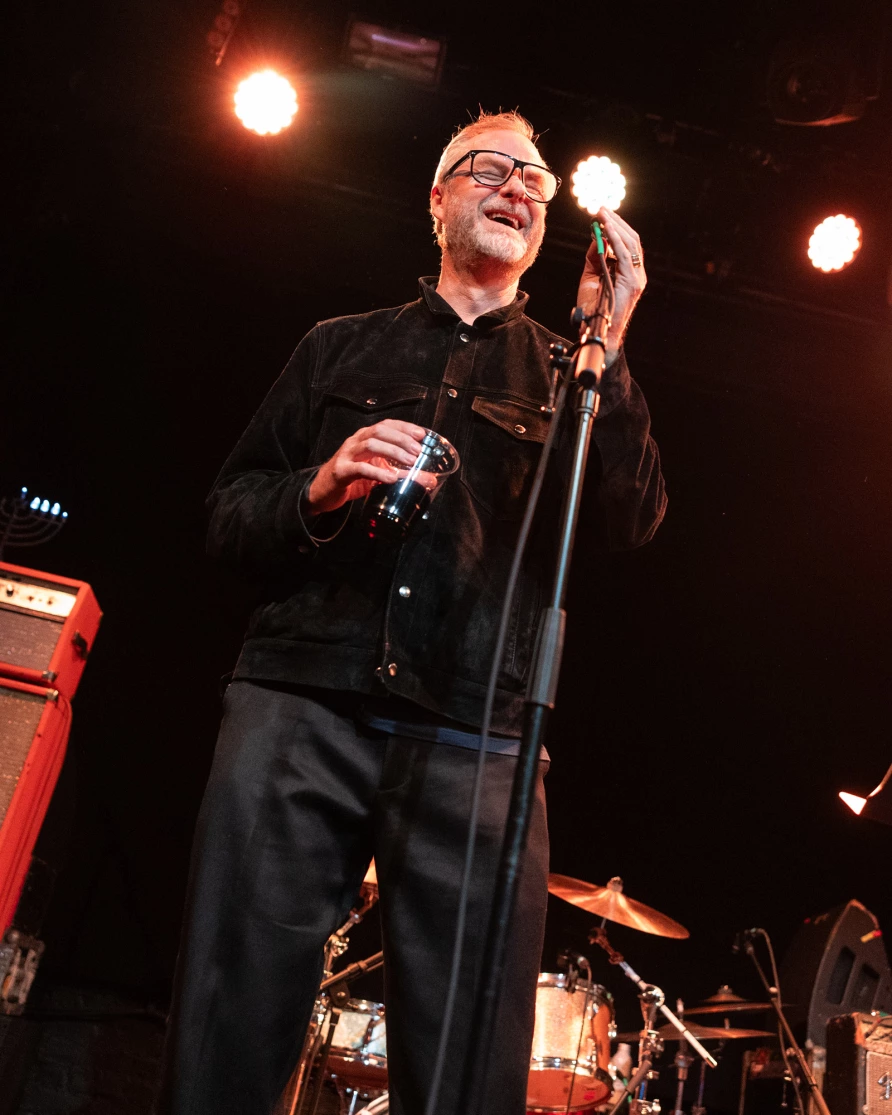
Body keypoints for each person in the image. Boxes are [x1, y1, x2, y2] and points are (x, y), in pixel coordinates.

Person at [158, 110, 666, 1115]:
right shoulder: (337, 346)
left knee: (473, 1048)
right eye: (492, 170)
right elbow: (227, 516)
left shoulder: (571, 376)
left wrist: (606, 342)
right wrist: (321, 485)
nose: (520, 188)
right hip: (302, 701)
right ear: (437, 199)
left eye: (537, 181)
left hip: (477, 727)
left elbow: (633, 515)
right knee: (232, 1001)